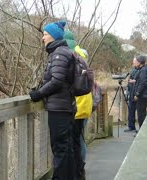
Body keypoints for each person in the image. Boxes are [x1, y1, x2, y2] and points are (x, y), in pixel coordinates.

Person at [29, 21, 76, 180]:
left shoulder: (59, 53)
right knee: (66, 148)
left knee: (60, 149)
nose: (43, 38)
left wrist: (38, 94)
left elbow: (57, 81)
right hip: (64, 106)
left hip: (59, 108)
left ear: (54, 36)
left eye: (45, 34)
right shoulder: (62, 52)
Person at [63, 29, 92, 180]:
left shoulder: (71, 57)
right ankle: (81, 168)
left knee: (75, 141)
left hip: (77, 105)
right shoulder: (82, 56)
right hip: (85, 104)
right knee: (80, 138)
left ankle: (77, 170)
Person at [133, 55, 147, 128]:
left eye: (136, 61)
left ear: (140, 62)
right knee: (143, 113)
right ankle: (144, 129)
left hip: (142, 96)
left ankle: (141, 131)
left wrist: (137, 94)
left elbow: (142, 83)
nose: (135, 63)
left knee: (141, 115)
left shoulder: (143, 70)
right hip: (146, 95)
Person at [124, 58, 139, 132]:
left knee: (140, 112)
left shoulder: (142, 71)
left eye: (134, 62)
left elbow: (142, 82)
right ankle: (131, 126)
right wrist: (127, 92)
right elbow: (129, 82)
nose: (133, 63)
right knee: (131, 110)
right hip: (131, 92)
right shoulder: (132, 70)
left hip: (137, 93)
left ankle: (140, 127)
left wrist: (134, 81)